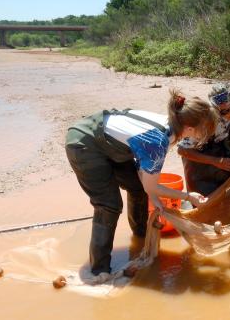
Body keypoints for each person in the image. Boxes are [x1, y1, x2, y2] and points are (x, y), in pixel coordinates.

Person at [65, 88, 218, 275]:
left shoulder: (171, 126)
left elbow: (144, 177)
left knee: (137, 188)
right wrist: (187, 196)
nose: (203, 136)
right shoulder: (157, 140)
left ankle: (141, 240)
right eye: (203, 131)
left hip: (111, 145)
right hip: (84, 144)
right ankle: (99, 271)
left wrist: (154, 198)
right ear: (190, 129)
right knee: (109, 205)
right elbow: (151, 185)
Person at [178, 82, 230, 196]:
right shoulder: (205, 122)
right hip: (199, 168)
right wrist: (215, 161)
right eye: (225, 111)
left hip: (222, 158)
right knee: (203, 201)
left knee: (226, 197)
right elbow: (182, 150)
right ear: (216, 109)